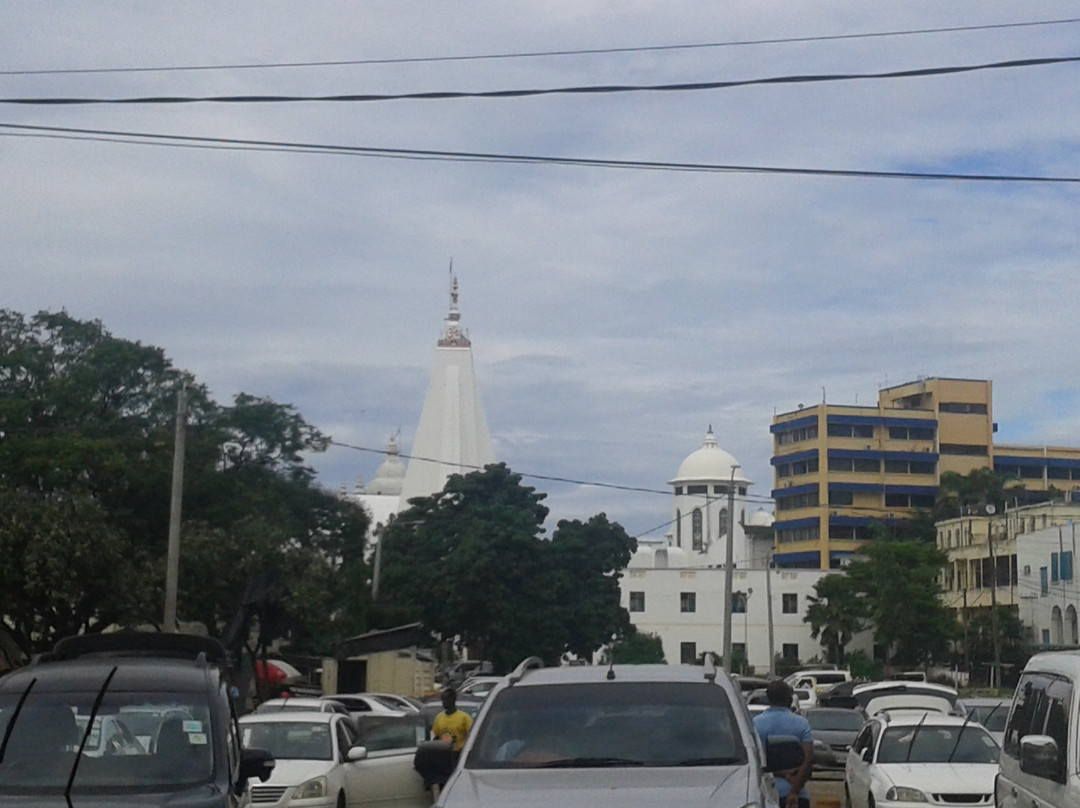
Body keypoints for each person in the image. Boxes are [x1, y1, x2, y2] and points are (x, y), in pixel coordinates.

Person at [752, 679, 814, 808]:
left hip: (764, 796)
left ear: (768, 699)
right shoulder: (801, 723)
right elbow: (808, 760)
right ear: (790, 699)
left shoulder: (755, 724)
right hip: (797, 796)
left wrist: (780, 774)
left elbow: (754, 762)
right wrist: (794, 791)